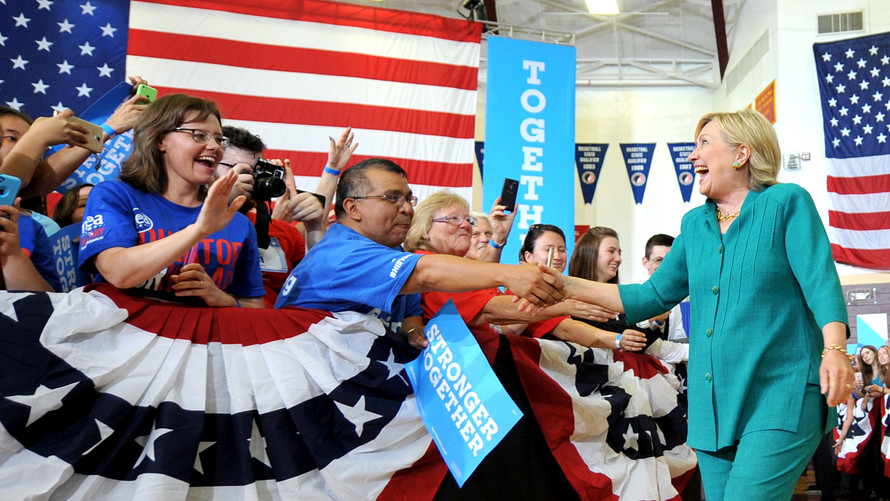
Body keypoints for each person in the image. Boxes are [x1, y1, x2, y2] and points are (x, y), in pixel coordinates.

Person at [539, 108, 853, 500]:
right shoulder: (693, 225)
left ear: (741, 154)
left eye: (704, 143)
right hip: (713, 407)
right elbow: (648, 297)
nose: (692, 155)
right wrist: (562, 284)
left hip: (781, 394)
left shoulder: (786, 202)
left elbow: (821, 282)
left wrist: (836, 349)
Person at [274, 158, 564, 348]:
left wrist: (413, 332)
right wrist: (517, 276)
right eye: (392, 198)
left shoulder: (390, 251)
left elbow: (410, 313)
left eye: (407, 198)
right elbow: (427, 273)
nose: (406, 207)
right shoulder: (343, 253)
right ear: (352, 208)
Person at [79, 94, 265, 308]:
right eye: (199, 135)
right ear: (160, 140)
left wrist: (222, 299)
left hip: (203, 337)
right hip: (126, 333)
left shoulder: (238, 222)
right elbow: (117, 272)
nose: (214, 147)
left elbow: (254, 305)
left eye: (218, 139)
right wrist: (199, 230)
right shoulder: (115, 196)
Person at [404, 195, 646, 351]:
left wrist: (498, 237)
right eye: (452, 219)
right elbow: (492, 310)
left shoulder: (456, 266)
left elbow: (490, 305)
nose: (466, 225)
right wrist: (566, 305)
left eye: (467, 219)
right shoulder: (427, 263)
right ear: (425, 230)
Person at [216, 125, 327, 308]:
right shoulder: (187, 221)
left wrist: (314, 229)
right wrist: (224, 201)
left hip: (274, 332)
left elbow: (318, 285)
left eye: (257, 171)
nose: (252, 179)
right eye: (242, 170)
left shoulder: (283, 232)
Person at [0, 76, 149, 198]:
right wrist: (37, 137)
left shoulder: (39, 224)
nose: (35, 152)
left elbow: (41, 180)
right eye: (11, 137)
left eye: (40, 150)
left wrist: (111, 126)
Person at [639, 233, 687, 341]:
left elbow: (679, 339)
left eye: (669, 261)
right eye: (659, 260)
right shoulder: (637, 297)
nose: (664, 267)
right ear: (645, 262)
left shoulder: (678, 298)